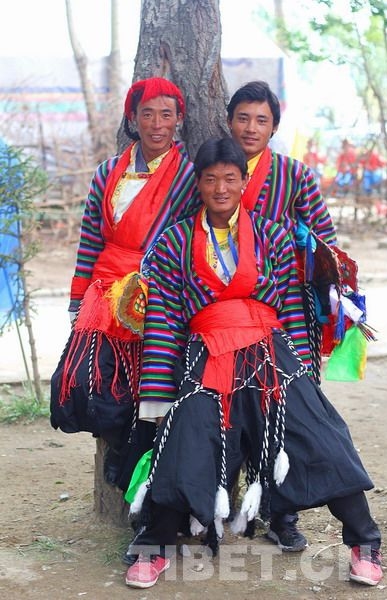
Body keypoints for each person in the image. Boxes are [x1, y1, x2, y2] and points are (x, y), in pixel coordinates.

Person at [124, 137, 382, 590]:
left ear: (244, 182)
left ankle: (365, 543)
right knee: (184, 443)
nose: (220, 187)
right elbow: (164, 323)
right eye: (210, 179)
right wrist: (158, 394)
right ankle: (152, 546)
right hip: (207, 358)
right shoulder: (173, 245)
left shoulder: (273, 236)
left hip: (271, 355)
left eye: (230, 177)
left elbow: (292, 313)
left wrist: (304, 374)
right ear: (198, 184)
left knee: (321, 438)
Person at [50, 77, 201, 489]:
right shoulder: (106, 173)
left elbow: (192, 239)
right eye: (147, 114)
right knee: (95, 381)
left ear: (179, 120)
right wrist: (77, 298)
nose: (156, 124)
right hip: (104, 290)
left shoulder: (189, 177)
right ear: (132, 119)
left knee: (151, 386)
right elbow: (90, 240)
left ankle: (138, 461)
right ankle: (118, 447)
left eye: (166, 115)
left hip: (160, 293)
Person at [226, 80, 338, 552]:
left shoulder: (295, 175)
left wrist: (291, 245)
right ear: (228, 120)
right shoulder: (214, 170)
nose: (251, 128)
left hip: (287, 308)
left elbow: (326, 244)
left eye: (262, 120)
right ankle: (226, 503)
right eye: (243, 118)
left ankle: (283, 512)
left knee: (287, 404)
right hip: (226, 308)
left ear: (274, 126)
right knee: (231, 401)